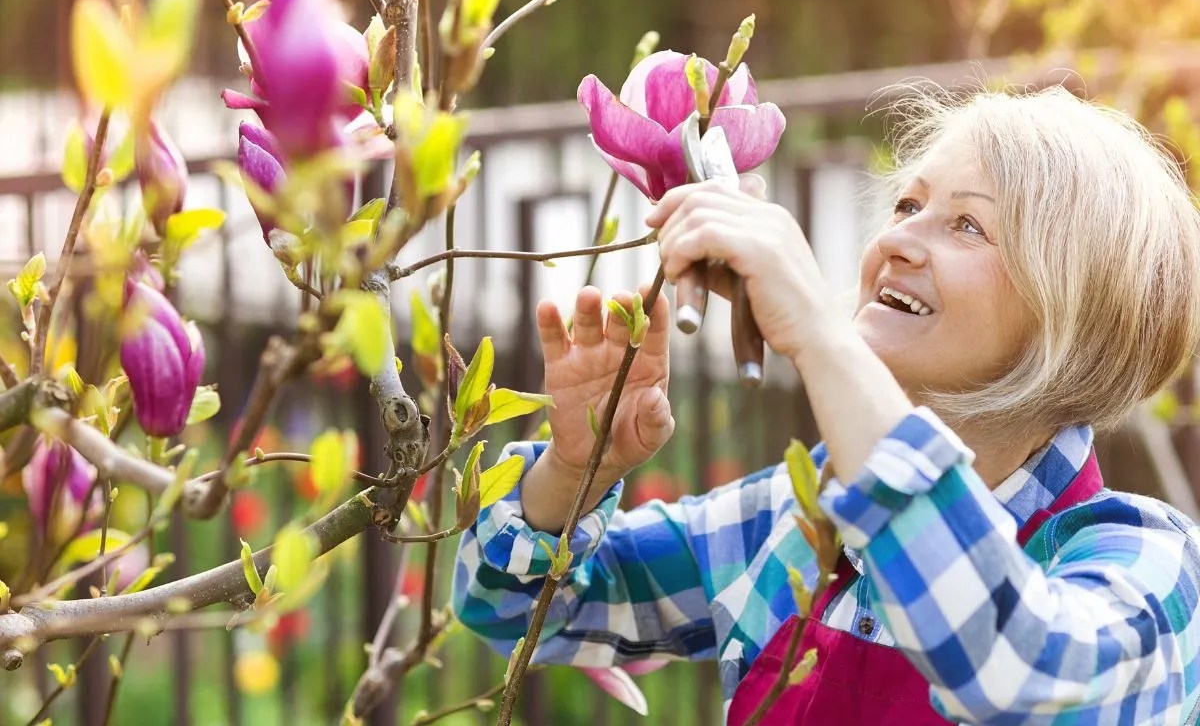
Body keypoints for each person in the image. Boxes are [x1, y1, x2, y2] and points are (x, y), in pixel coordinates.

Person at [451, 85, 1200, 724]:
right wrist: (576, 471)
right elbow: (514, 610)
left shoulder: (1148, 566)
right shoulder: (796, 518)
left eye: (969, 224)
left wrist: (817, 335)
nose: (901, 238)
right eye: (908, 203)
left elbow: (1016, 675)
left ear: (1078, 317)